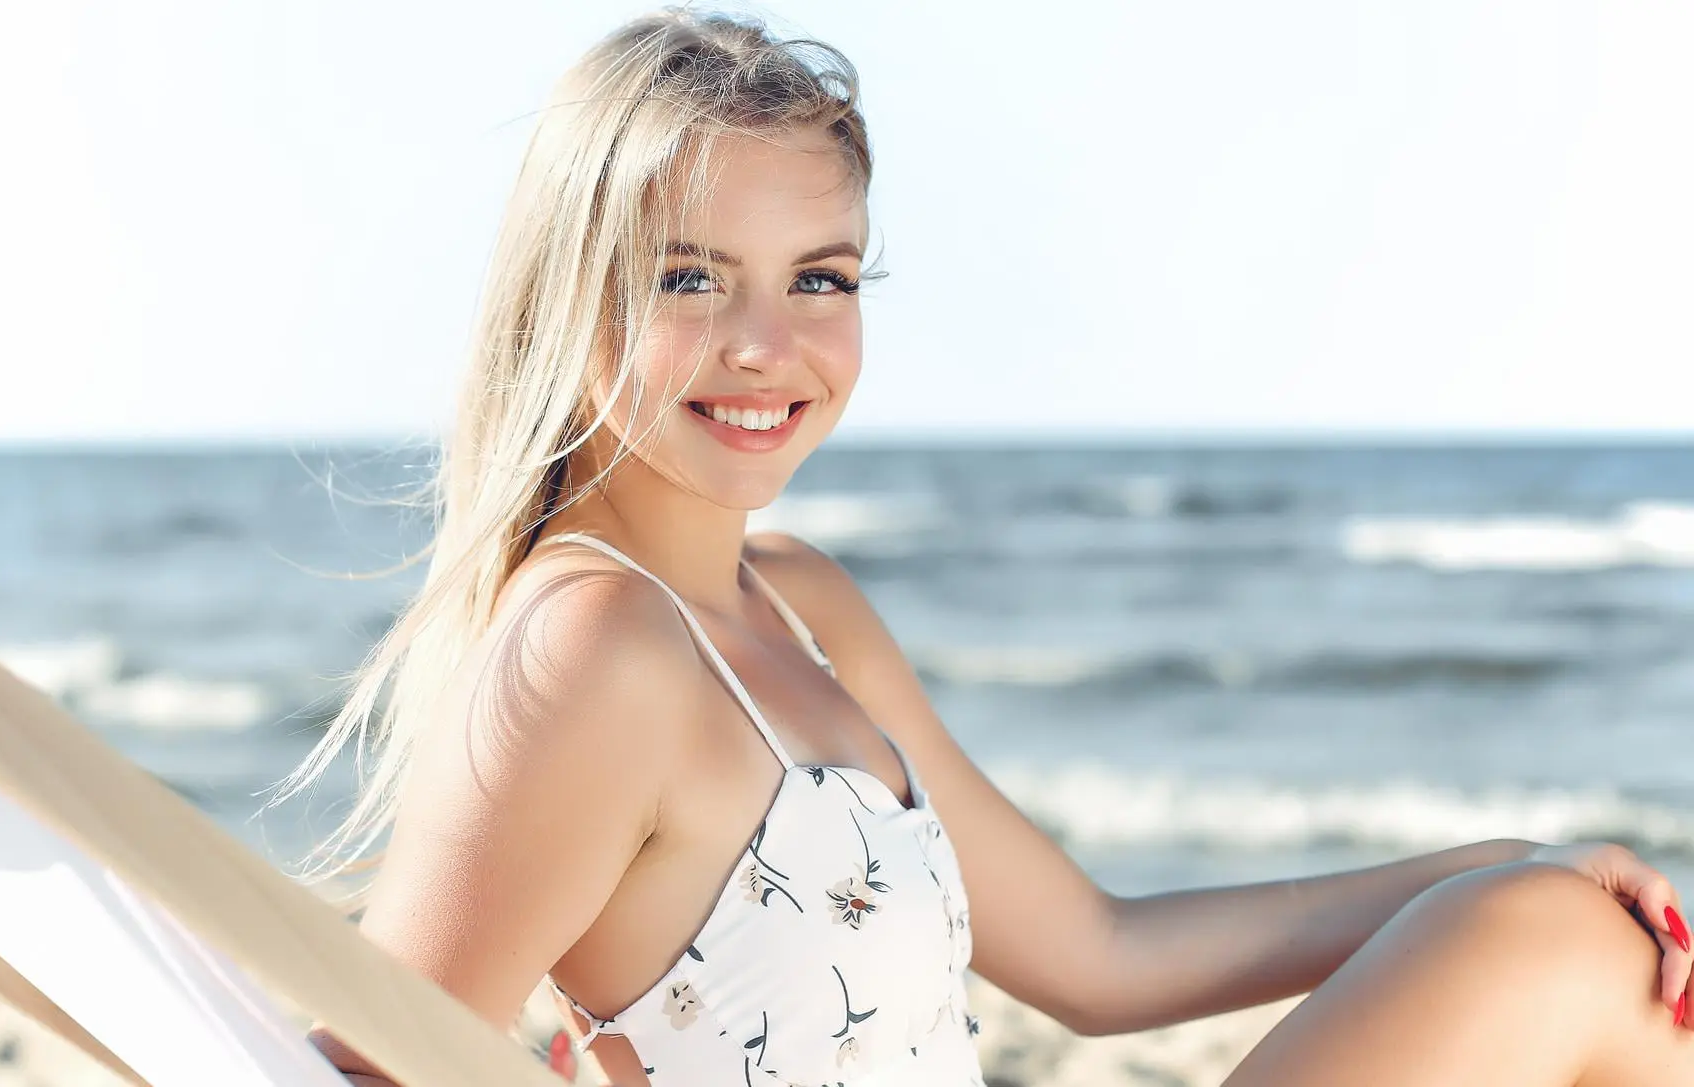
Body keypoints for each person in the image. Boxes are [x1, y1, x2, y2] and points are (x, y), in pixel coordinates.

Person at [286, 8, 1694, 1085]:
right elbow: (362, 1062)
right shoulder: (591, 644)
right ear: (568, 297)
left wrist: (1508, 856)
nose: (765, 344)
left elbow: (1099, 956)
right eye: (690, 277)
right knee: (1559, 951)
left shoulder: (804, 604)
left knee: (1571, 939)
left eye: (819, 278)